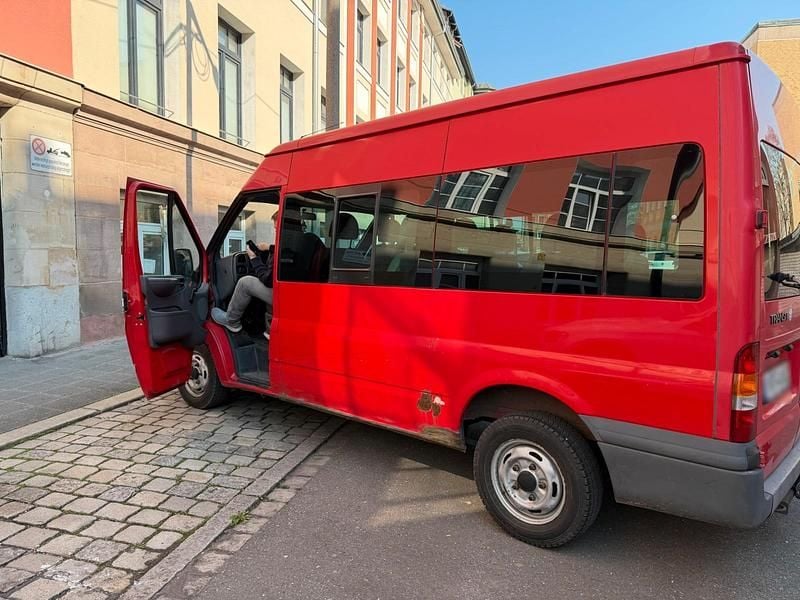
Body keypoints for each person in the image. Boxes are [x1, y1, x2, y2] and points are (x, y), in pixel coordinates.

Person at [211, 211, 278, 340]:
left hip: (283, 296)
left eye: (277, 229)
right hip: (296, 295)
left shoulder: (281, 252)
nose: (276, 232)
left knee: (245, 282)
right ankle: (271, 330)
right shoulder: (300, 244)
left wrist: (254, 258)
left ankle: (232, 321)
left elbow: (268, 280)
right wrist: (269, 247)